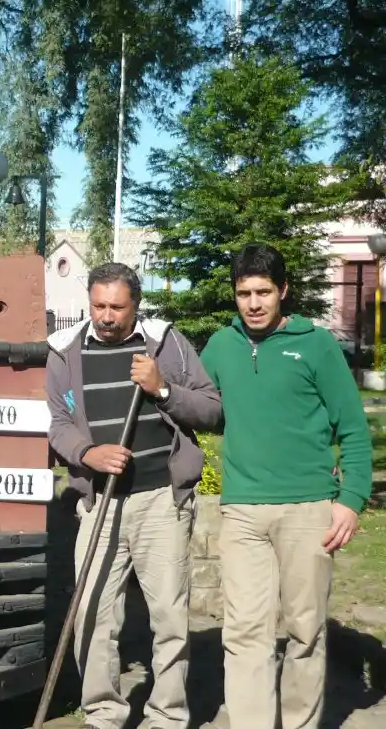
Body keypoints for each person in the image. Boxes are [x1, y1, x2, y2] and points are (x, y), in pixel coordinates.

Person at [200, 243, 371, 729]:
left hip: (309, 512)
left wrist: (351, 501)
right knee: (246, 632)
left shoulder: (315, 345)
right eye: (243, 293)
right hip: (242, 513)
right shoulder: (221, 346)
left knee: (305, 631)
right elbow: (192, 405)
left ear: (283, 292)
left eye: (263, 292)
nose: (253, 303)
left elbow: (353, 429)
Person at [45, 262, 223, 729]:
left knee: (168, 613)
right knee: (92, 613)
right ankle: (103, 712)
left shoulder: (165, 344)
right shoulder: (65, 352)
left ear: (135, 306)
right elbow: (58, 426)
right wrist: (89, 453)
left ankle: (166, 715)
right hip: (99, 502)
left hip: (160, 500)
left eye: (116, 308)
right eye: (98, 306)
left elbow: (211, 409)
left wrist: (162, 388)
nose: (106, 316)